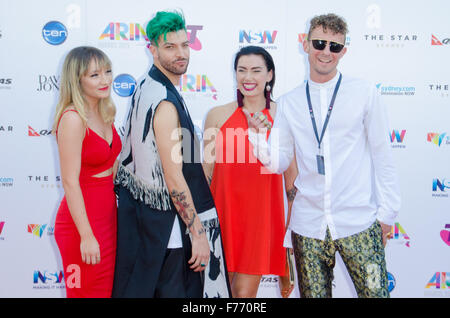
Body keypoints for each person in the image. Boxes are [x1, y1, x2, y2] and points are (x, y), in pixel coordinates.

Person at [244, 13, 401, 298]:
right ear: (305, 44)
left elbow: (383, 156)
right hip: (308, 227)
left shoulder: (364, 93)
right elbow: (279, 161)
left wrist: (388, 213)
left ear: (343, 51)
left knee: (378, 295)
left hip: (359, 223)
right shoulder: (290, 102)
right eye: (319, 43)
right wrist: (256, 136)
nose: (326, 52)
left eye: (334, 46)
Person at [112, 10, 230, 298]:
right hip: (168, 231)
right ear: (152, 50)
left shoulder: (148, 86)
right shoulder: (164, 103)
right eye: (170, 47)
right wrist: (199, 235)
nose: (181, 54)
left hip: (148, 224)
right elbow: (174, 177)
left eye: (184, 45)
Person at [203, 46, 296, 298]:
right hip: (222, 216)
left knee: (243, 295)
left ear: (269, 75)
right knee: (220, 293)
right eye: (242, 70)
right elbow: (206, 172)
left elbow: (291, 178)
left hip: (261, 219)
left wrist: (290, 227)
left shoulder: (283, 116)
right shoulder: (217, 115)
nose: (248, 77)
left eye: (256, 70)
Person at [53, 46, 122, 298]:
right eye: (94, 75)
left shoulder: (105, 112)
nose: (105, 80)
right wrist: (86, 235)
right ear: (77, 79)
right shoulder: (72, 118)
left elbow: (111, 166)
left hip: (108, 218)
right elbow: (70, 182)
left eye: (107, 71)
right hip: (80, 225)